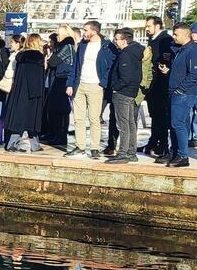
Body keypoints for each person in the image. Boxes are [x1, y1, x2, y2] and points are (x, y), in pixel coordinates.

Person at [64, 21, 116, 159]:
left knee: (94, 118)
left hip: (95, 86)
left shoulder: (106, 46)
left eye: (86, 30)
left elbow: (112, 65)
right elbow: (75, 65)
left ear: (94, 31)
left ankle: (94, 148)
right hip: (80, 84)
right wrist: (70, 84)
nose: (83, 32)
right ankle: (80, 146)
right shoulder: (82, 45)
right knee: (78, 118)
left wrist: (103, 82)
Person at [158, 22, 197, 167]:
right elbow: (182, 70)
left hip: (184, 93)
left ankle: (183, 156)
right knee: (176, 123)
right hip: (174, 91)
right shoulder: (181, 50)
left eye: (176, 34)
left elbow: (195, 74)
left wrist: (180, 89)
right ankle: (175, 152)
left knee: (178, 123)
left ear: (185, 35)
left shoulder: (193, 50)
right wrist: (169, 71)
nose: (174, 37)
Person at [2, 33, 47, 152]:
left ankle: (12, 144)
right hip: (34, 93)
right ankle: (34, 145)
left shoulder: (21, 56)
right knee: (33, 120)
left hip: (20, 91)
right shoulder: (39, 57)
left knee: (19, 118)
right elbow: (39, 77)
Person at [106, 28, 144, 164]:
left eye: (116, 39)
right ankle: (131, 152)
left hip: (122, 93)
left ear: (124, 40)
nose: (115, 42)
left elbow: (125, 77)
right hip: (131, 92)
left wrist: (115, 88)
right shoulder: (135, 52)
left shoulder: (125, 54)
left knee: (123, 124)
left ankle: (123, 153)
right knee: (130, 123)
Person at [140, 16, 175, 157]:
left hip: (161, 83)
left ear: (158, 26)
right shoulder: (152, 40)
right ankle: (153, 142)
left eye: (149, 26)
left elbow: (168, 59)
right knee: (154, 114)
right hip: (152, 84)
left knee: (161, 116)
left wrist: (166, 69)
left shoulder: (165, 40)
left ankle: (163, 145)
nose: (147, 29)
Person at [41, 24, 76, 146]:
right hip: (58, 77)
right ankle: (54, 133)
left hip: (63, 78)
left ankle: (61, 136)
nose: (57, 36)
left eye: (58, 33)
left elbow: (54, 62)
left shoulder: (67, 46)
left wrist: (50, 56)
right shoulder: (61, 46)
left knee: (61, 109)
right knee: (54, 109)